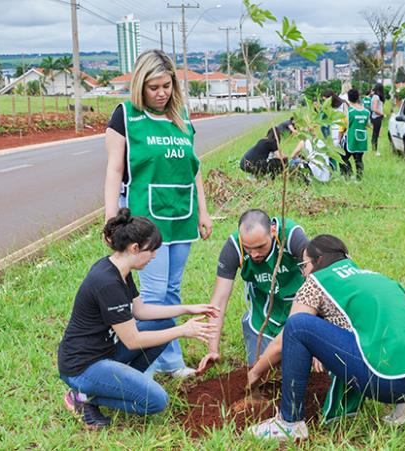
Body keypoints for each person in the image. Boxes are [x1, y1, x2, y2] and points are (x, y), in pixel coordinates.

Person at [246, 234, 405, 441]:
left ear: (317, 262)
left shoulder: (315, 282)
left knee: (297, 325)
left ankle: (289, 423)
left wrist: (255, 373)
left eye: (304, 265)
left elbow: (285, 339)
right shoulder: (375, 278)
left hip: (385, 383)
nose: (303, 273)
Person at [104, 49, 213, 378]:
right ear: (140, 85)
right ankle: (140, 368)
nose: (161, 93)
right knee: (152, 294)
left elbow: (193, 169)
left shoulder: (181, 116)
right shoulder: (125, 116)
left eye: (166, 86)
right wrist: (112, 221)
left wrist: (203, 212)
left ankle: (169, 361)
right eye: (154, 87)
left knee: (172, 291)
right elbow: (114, 171)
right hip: (145, 220)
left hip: (181, 215)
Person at [58, 209, 218, 429]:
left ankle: (119, 383)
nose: (153, 257)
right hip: (83, 366)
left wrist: (186, 309)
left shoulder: (120, 270)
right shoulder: (107, 283)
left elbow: (141, 311)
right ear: (134, 248)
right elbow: (133, 340)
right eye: (151, 251)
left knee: (163, 324)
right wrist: (183, 331)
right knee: (156, 401)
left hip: (105, 351)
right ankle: (82, 396)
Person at [196, 209, 309, 371]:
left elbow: (318, 276)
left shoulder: (290, 235)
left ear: (272, 231)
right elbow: (219, 300)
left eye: (260, 247)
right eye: (248, 248)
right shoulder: (234, 246)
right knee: (261, 370)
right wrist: (213, 350)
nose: (255, 254)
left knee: (305, 366)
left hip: (301, 309)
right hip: (262, 316)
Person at [341, 88, 370, 180]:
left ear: (348, 98)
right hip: (361, 138)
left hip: (351, 139)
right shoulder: (366, 112)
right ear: (358, 97)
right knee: (358, 159)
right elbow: (367, 124)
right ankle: (359, 178)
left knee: (342, 158)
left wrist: (339, 139)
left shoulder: (349, 112)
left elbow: (343, 127)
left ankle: (348, 176)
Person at [370, 83, 385, 157]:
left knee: (375, 134)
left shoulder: (375, 97)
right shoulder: (376, 97)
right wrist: (382, 114)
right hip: (377, 117)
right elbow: (374, 109)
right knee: (375, 135)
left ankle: (374, 150)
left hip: (375, 117)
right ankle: (374, 151)